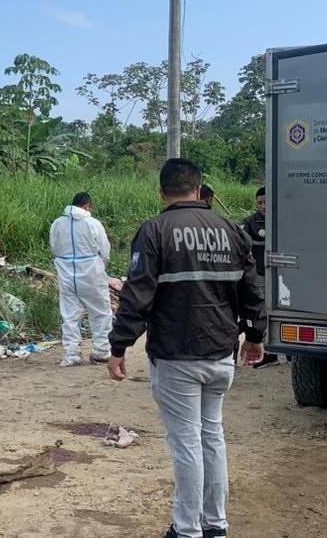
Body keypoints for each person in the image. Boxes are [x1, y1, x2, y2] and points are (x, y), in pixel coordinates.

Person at [108, 159, 265, 538]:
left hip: (177, 356)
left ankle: (188, 530)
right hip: (221, 354)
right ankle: (215, 524)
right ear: (199, 190)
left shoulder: (155, 231)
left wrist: (119, 345)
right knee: (212, 437)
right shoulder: (231, 230)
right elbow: (252, 290)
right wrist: (256, 336)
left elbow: (138, 294)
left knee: (187, 444)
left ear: (162, 193)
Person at [49, 192, 113, 367]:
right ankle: (102, 351)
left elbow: (54, 248)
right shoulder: (93, 224)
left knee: (69, 314)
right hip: (91, 270)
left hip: (66, 271)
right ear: (87, 206)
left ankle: (72, 353)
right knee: (100, 311)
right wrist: (100, 264)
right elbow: (105, 250)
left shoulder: (57, 224)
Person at [240, 186, 279, 368]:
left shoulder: (282, 219)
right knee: (263, 312)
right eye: (260, 203)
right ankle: (267, 353)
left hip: (282, 276)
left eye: (266, 202)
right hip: (261, 275)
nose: (263, 206)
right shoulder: (249, 223)